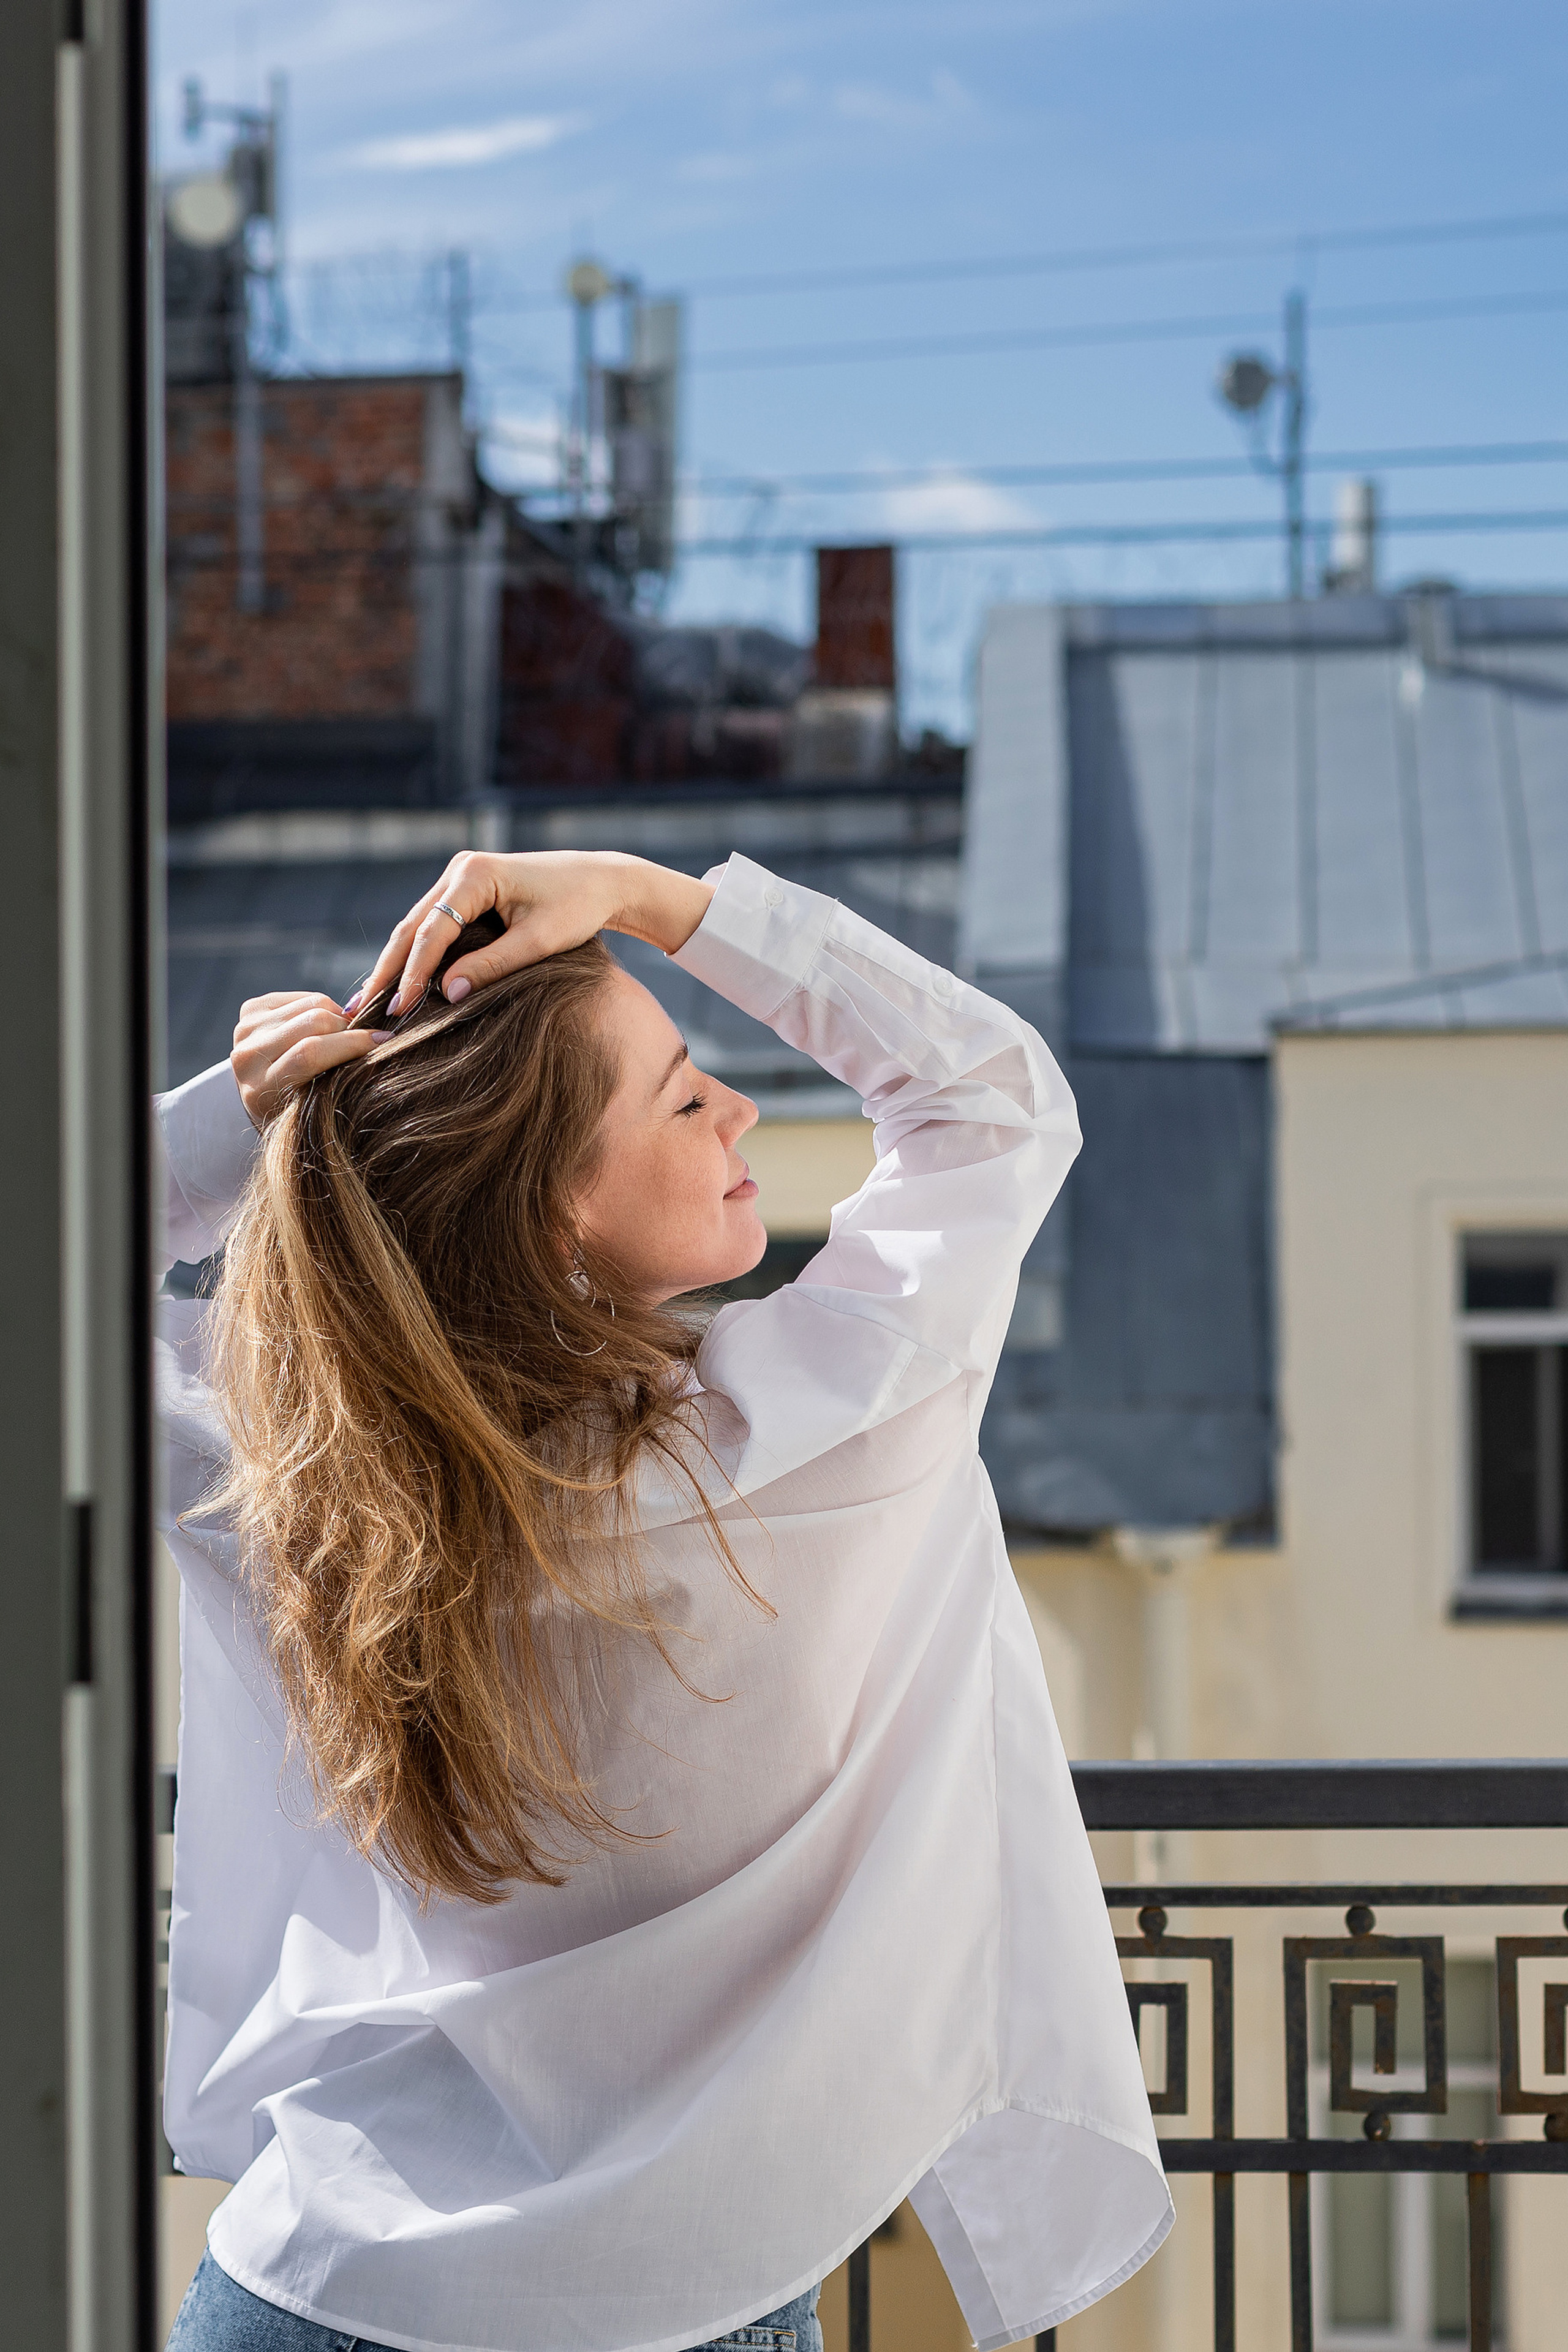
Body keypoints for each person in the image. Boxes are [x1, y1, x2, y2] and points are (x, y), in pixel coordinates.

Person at [159, 849, 1170, 2352]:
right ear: (550, 1210)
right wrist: (649, 897)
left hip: (310, 2280)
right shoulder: (821, 1423)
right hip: (680, 2308)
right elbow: (990, 1102)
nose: (740, 1110)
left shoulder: (298, 1482)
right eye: (687, 1097)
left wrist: (235, 1127)